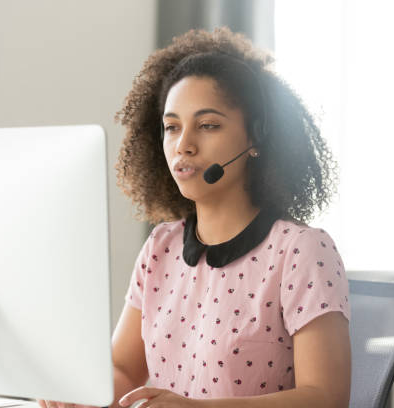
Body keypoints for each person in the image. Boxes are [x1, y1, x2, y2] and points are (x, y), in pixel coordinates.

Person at [40, 27, 351, 408]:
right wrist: (78, 394)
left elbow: (326, 398)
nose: (183, 145)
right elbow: (123, 368)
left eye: (208, 125)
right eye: (172, 127)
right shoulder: (161, 246)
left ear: (256, 137)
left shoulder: (301, 250)